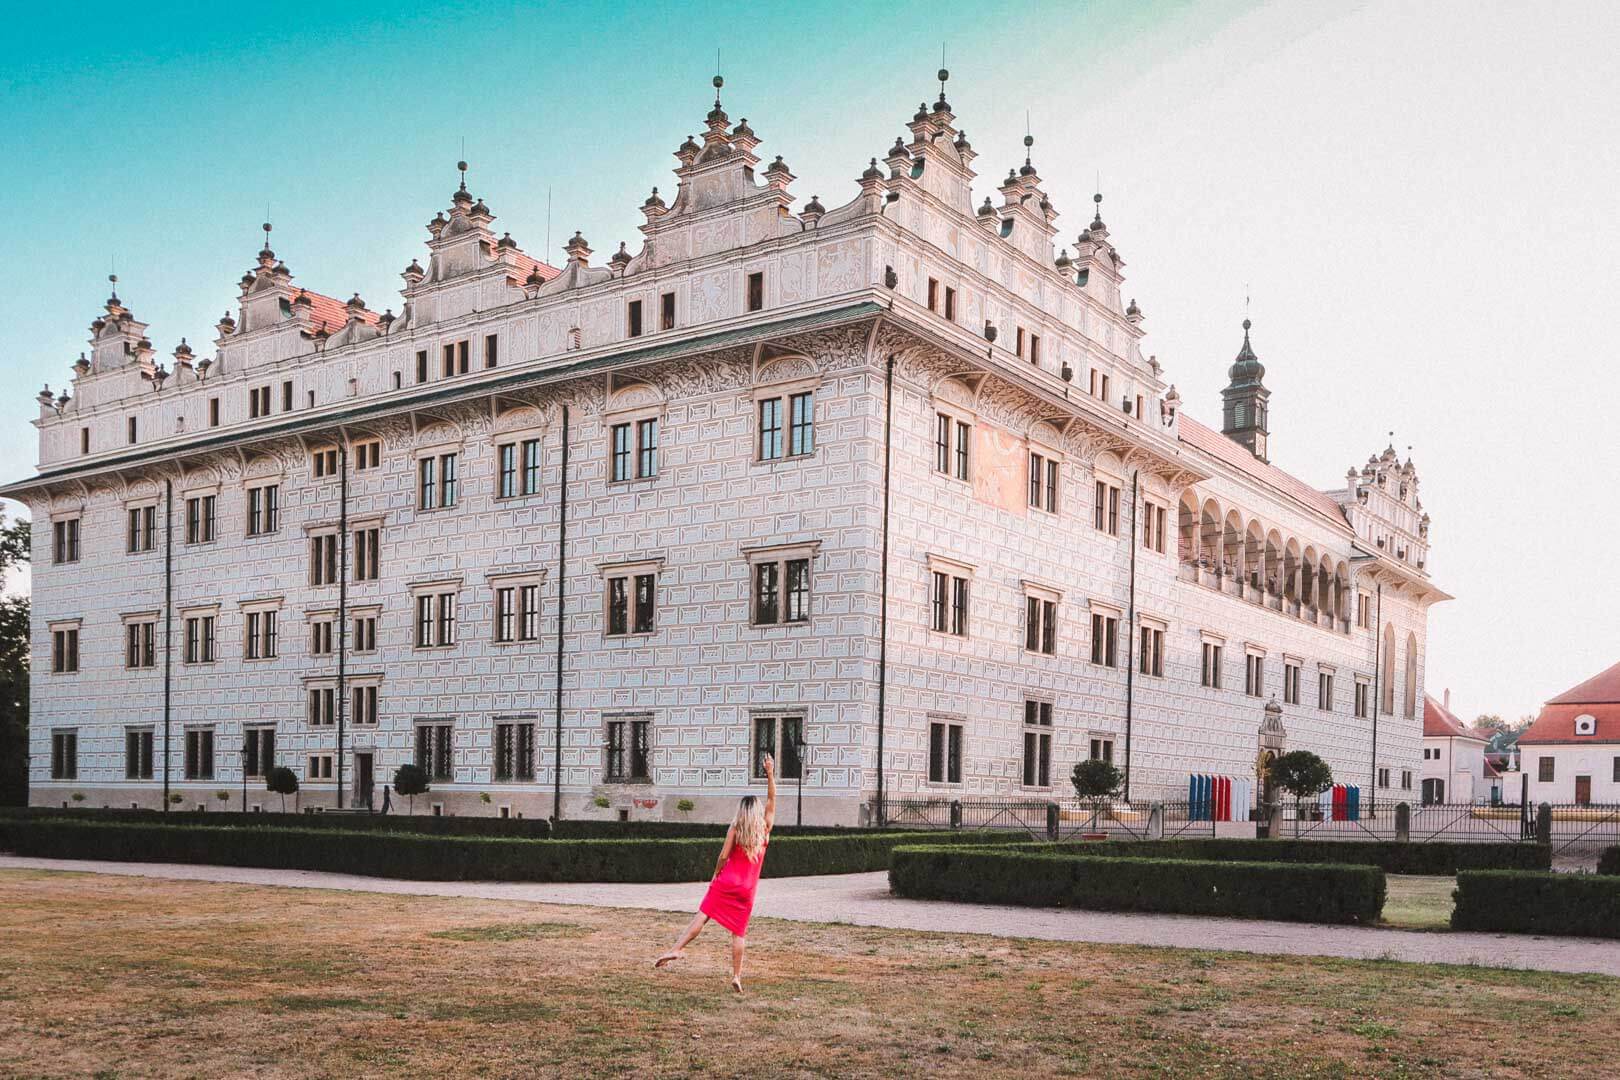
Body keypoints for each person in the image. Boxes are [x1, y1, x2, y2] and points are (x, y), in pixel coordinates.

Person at [655, 753, 777, 992]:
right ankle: (736, 975)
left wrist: (715, 876)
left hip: (727, 881)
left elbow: (723, 856)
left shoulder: (735, 828)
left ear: (742, 812)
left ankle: (677, 948)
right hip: (747, 889)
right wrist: (770, 773)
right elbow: (772, 799)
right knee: (738, 932)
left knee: (702, 915)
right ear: (757, 812)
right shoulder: (765, 830)